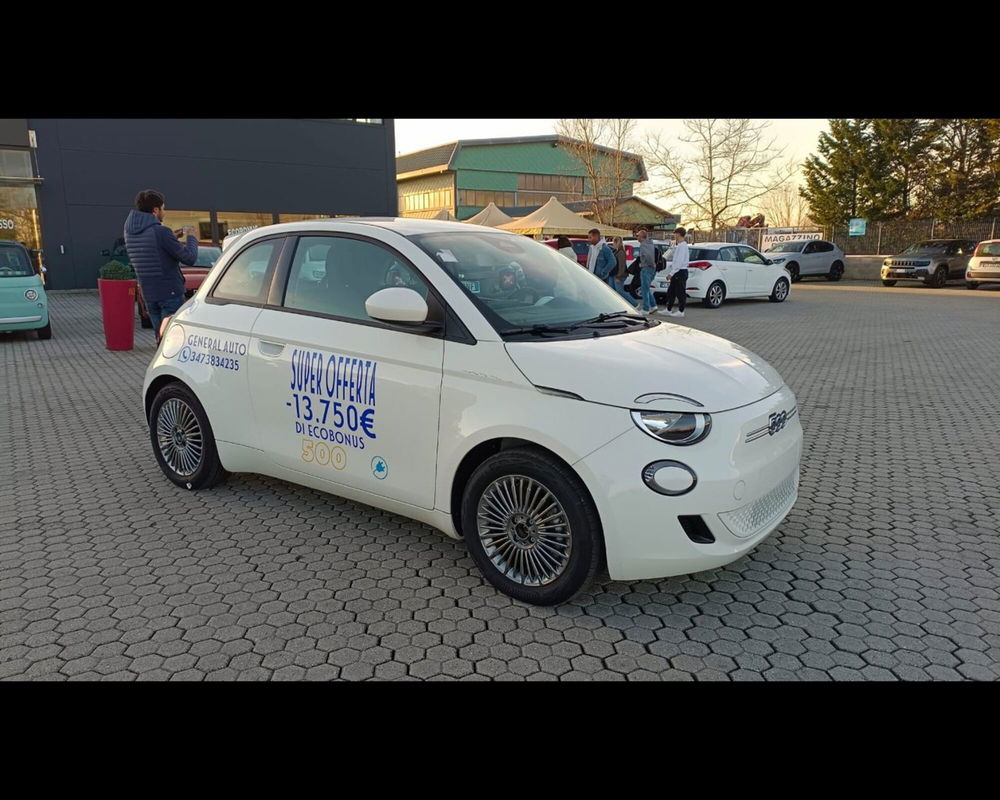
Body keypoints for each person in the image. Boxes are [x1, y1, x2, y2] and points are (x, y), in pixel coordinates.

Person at [124, 189, 198, 342]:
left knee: (161, 339)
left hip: (149, 294)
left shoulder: (130, 232)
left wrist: (172, 236)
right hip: (169, 293)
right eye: (163, 208)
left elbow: (152, 247)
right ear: (155, 210)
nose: (164, 212)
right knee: (173, 341)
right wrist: (192, 238)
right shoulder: (161, 232)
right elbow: (189, 258)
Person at [664, 226, 690, 317]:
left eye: (675, 234)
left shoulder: (683, 246)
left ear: (678, 234)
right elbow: (674, 256)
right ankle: (668, 309)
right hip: (677, 271)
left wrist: (671, 273)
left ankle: (681, 311)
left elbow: (679, 262)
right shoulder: (679, 245)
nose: (674, 235)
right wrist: (673, 247)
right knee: (671, 291)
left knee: (680, 292)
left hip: (680, 272)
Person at [636, 228, 658, 314]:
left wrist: (648, 264)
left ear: (642, 237)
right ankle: (653, 305)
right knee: (646, 287)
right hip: (651, 268)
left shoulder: (643, 245)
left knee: (644, 289)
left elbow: (648, 256)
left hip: (646, 268)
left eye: (638, 235)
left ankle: (645, 308)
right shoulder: (650, 244)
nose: (636, 237)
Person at [608, 236, 634, 303]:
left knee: (620, 291)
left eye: (614, 242)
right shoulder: (617, 251)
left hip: (619, 275)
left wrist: (618, 277)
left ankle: (634, 303)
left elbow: (621, 266)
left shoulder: (621, 252)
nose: (613, 244)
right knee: (612, 290)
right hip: (614, 274)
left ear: (616, 242)